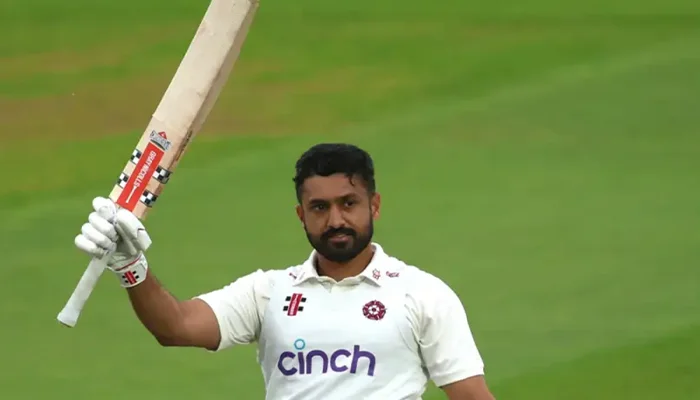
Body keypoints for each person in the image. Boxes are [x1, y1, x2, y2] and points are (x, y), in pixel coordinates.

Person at [75, 143, 496, 400]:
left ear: (375, 206)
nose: (335, 220)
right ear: (301, 214)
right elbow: (177, 327)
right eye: (319, 207)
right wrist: (131, 266)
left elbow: (471, 396)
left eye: (348, 203)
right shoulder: (269, 292)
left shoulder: (422, 294)